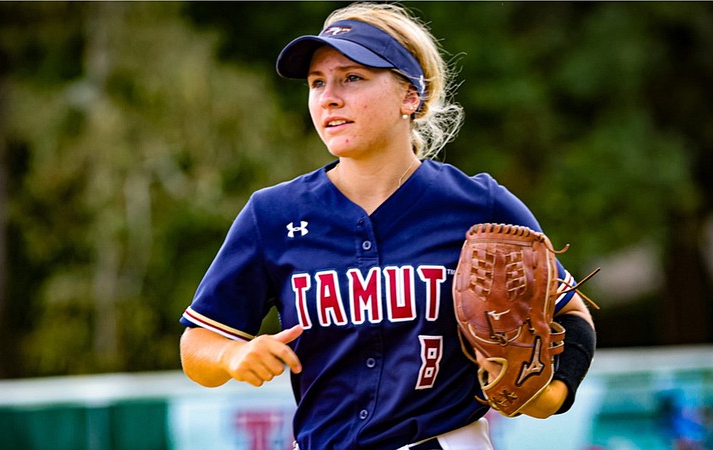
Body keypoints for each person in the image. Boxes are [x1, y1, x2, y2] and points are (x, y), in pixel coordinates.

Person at [179, 3, 597, 449]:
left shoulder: (479, 204)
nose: (329, 97)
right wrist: (233, 354)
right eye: (317, 83)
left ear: (410, 96)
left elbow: (571, 312)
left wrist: (551, 394)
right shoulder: (273, 215)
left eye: (352, 77)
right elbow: (198, 344)